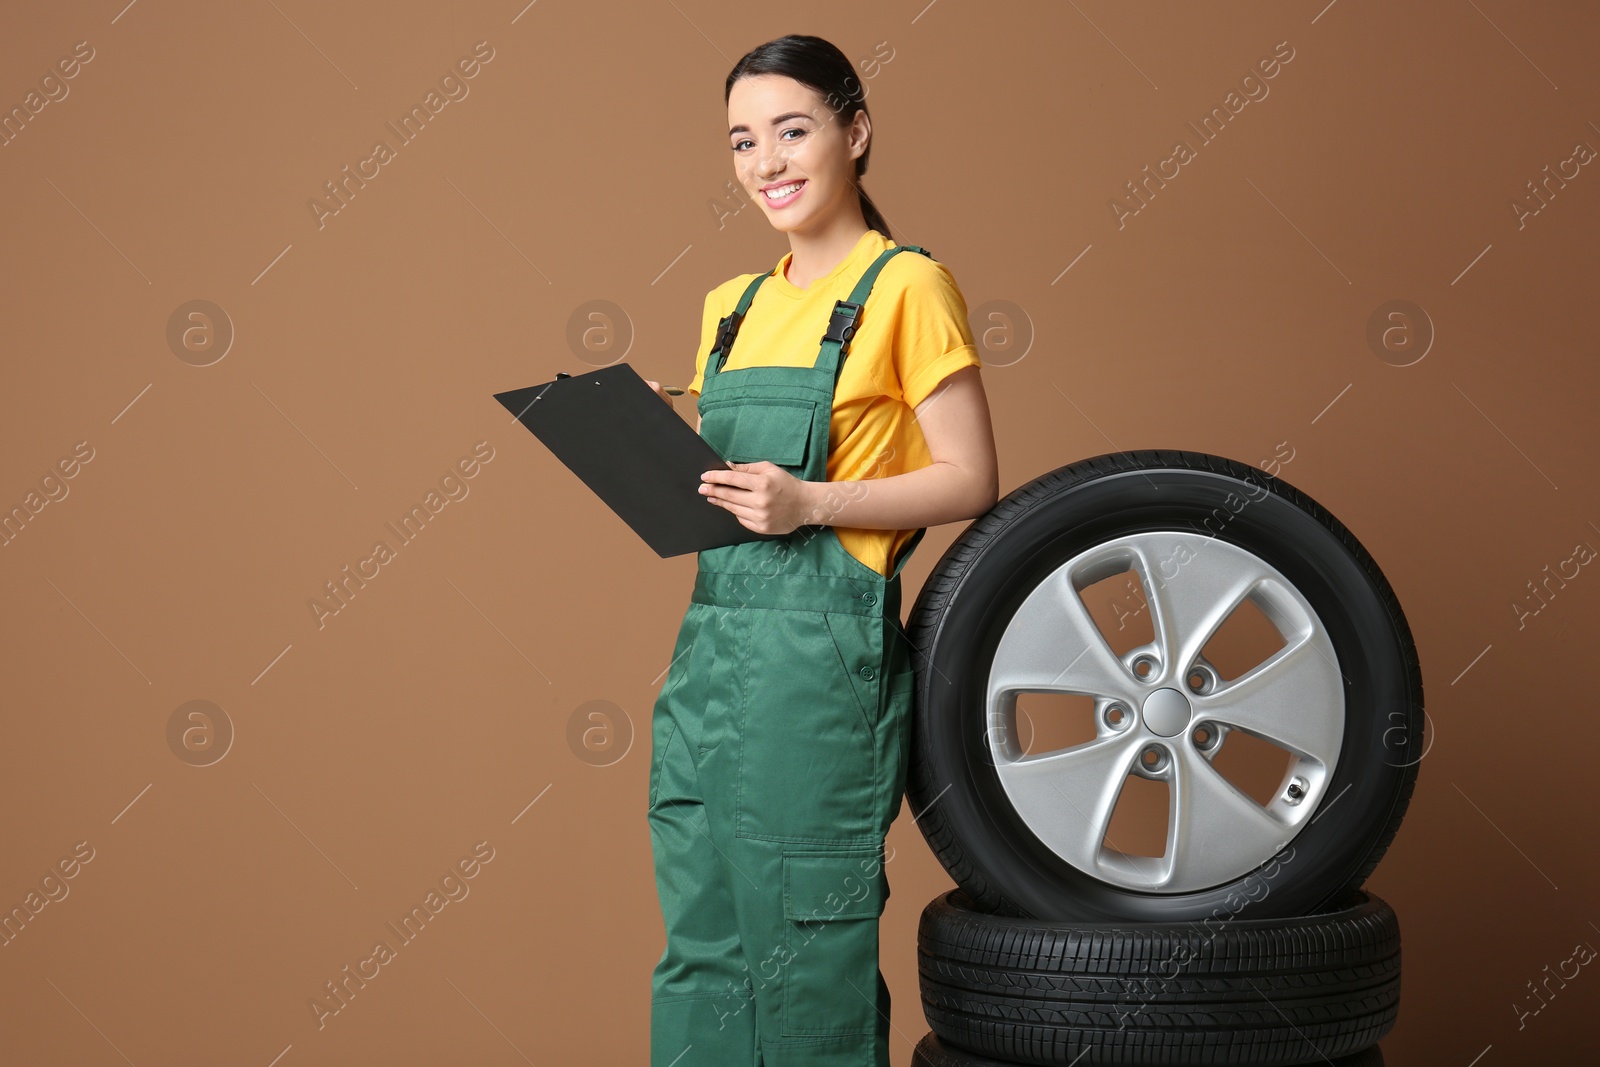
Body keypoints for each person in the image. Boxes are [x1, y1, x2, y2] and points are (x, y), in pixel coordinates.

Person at [642, 33, 999, 1067]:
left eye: (791, 130)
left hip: (819, 668)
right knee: (702, 949)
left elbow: (970, 475)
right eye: (743, 141)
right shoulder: (731, 305)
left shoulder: (906, 288)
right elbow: (731, 494)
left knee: (806, 956)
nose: (767, 162)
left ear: (855, 130)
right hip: (709, 657)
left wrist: (807, 500)